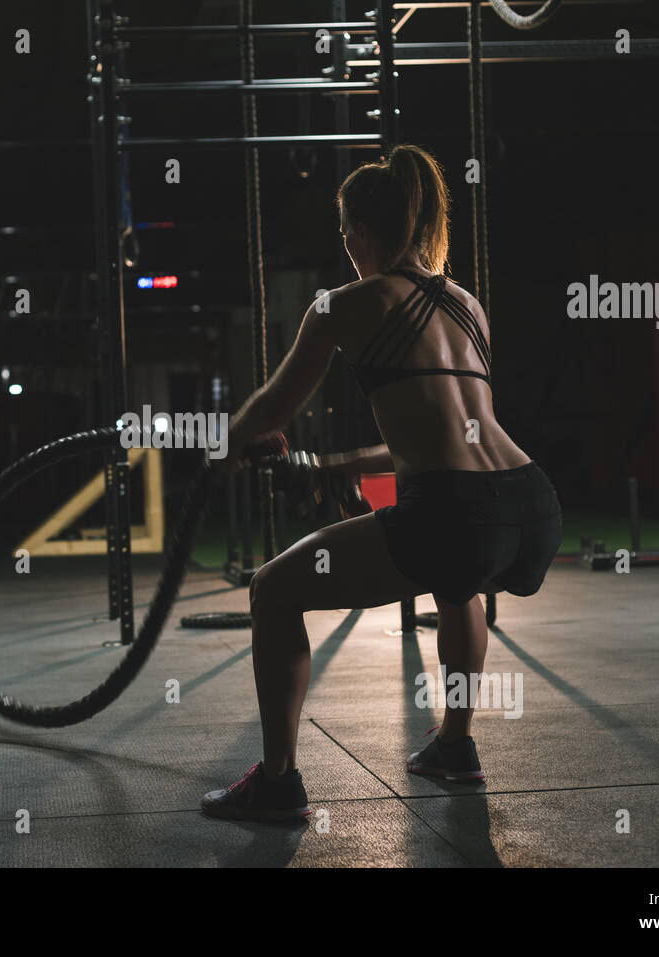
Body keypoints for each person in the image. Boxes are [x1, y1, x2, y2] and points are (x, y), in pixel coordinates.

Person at [201, 144, 562, 822]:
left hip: (454, 513)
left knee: (273, 590)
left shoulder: (343, 304)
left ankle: (276, 784)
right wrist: (331, 467)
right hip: (529, 501)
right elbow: (447, 435)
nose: (346, 251)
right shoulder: (466, 305)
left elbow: (272, 406)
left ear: (359, 235)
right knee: (460, 580)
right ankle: (455, 745)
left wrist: (218, 450)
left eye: (345, 238)